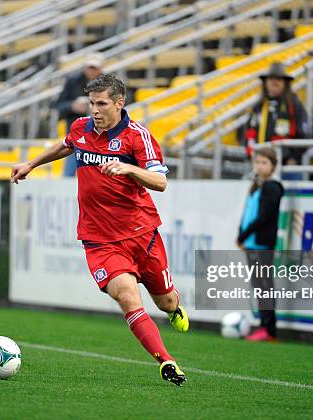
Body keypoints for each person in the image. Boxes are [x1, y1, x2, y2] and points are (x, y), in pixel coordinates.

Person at [11, 73, 189, 386]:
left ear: (120, 103)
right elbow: (66, 146)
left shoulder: (137, 137)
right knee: (127, 297)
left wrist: (128, 168)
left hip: (142, 234)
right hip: (99, 240)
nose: (95, 109)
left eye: (102, 103)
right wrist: (31, 164)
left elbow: (160, 182)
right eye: (92, 103)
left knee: (166, 302)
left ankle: (174, 309)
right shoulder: (81, 127)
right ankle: (166, 361)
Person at [236, 147, 283, 341]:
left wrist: (244, 233)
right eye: (258, 162)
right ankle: (264, 325)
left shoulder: (273, 187)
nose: (260, 166)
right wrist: (241, 234)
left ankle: (269, 328)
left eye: (265, 162)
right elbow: (248, 212)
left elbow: (264, 217)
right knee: (258, 285)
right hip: (251, 242)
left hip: (262, 244)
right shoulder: (256, 185)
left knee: (264, 285)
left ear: (273, 166)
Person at [244, 62, 308, 180]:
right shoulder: (258, 106)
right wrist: (252, 157)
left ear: (285, 83)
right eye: (271, 79)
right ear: (266, 82)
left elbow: (303, 134)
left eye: (279, 79)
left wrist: (294, 158)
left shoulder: (294, 105)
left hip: (286, 167)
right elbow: (248, 134)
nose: (275, 82)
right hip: (261, 167)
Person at [56, 53, 104, 177]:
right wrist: (72, 106)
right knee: (71, 165)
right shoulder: (72, 81)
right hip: (77, 130)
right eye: (90, 67)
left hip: (101, 131)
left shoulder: (109, 84)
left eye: (95, 68)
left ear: (100, 69)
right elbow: (58, 104)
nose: (92, 71)